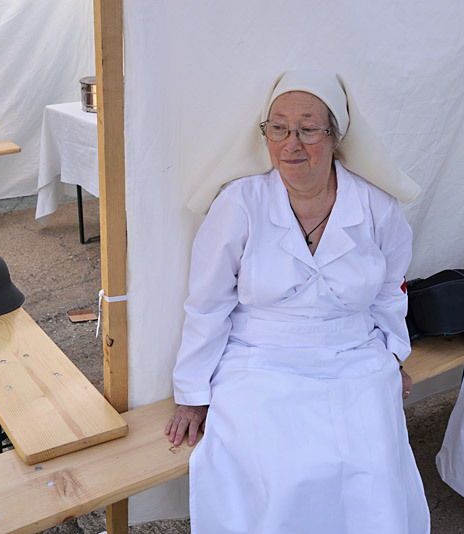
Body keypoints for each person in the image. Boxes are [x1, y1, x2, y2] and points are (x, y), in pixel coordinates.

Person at [165, 71, 430, 533]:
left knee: (370, 457)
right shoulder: (240, 203)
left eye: (308, 129)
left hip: (355, 356)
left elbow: (391, 290)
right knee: (278, 464)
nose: (292, 144)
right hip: (259, 360)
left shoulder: (377, 207)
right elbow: (207, 304)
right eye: (279, 128)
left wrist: (393, 354)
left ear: (335, 136)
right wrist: (192, 395)